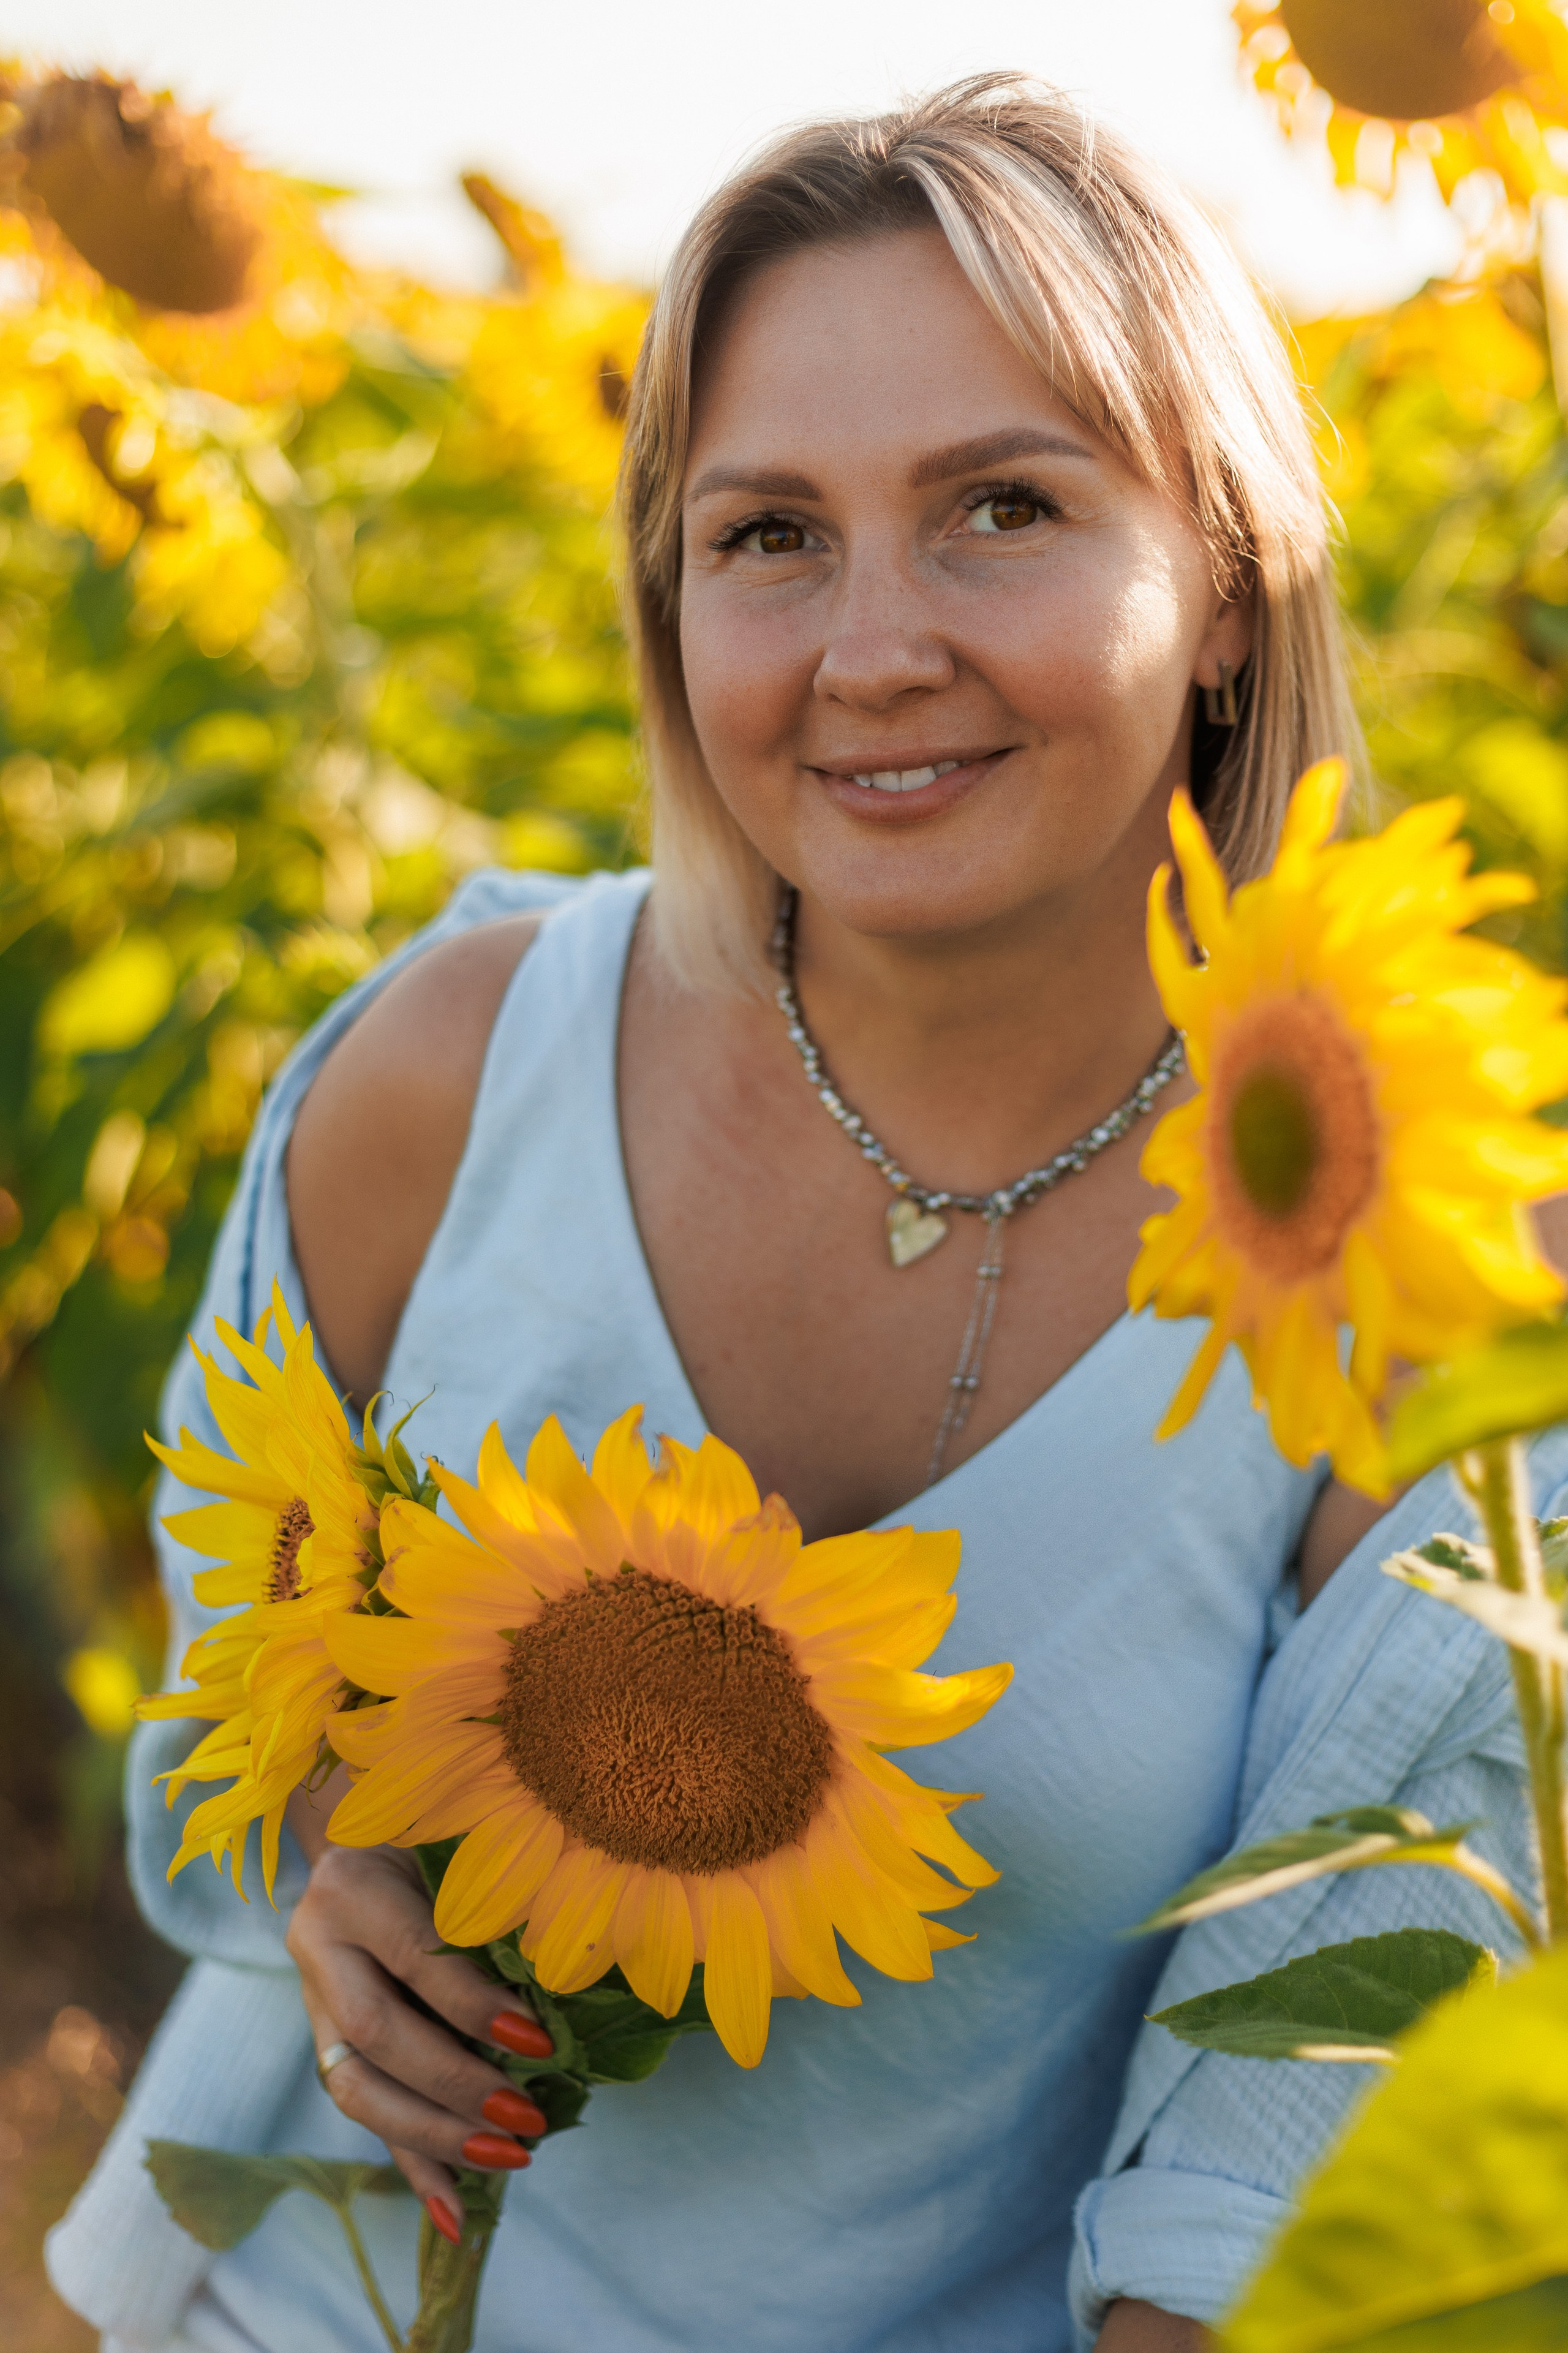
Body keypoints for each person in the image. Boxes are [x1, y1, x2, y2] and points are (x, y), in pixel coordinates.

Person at [49, 72, 1548, 2353]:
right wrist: (331, 1871)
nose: (871, 648)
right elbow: (230, 1719)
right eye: (768, 535)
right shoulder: (446, 1082)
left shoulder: (1407, 1258)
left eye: (1001, 509)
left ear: (1232, 582)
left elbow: (1272, 2164)